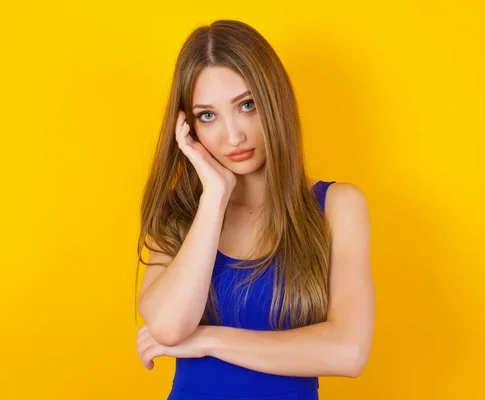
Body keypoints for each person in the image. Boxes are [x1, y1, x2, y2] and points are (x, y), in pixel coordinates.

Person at [134, 19, 374, 400]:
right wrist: (214, 196)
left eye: (247, 105)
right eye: (207, 116)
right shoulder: (179, 216)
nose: (234, 136)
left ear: (274, 101)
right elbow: (166, 326)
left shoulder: (336, 207)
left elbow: (349, 351)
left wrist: (209, 340)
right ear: (188, 126)